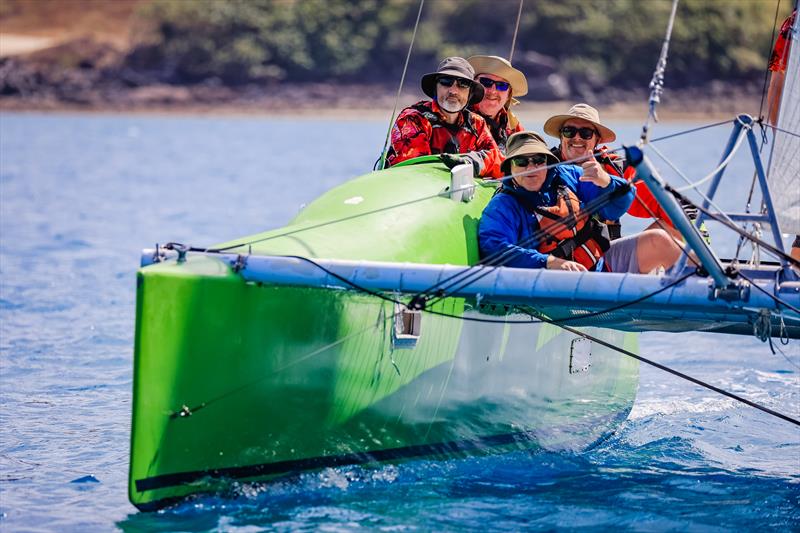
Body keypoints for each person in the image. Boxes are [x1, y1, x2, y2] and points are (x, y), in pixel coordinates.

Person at [478, 131, 684, 273]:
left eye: (538, 160)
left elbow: (618, 207)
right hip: (553, 286)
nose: (531, 167)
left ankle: (710, 289)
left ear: (548, 163)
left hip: (600, 265)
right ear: (509, 169)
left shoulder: (570, 176)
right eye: (522, 162)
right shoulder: (502, 205)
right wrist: (549, 262)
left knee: (660, 239)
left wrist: (606, 181)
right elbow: (494, 247)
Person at [543, 103, 703, 242]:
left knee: (668, 232)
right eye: (569, 131)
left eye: (585, 133)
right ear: (561, 137)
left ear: (597, 140)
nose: (577, 138)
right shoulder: (539, 165)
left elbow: (670, 203)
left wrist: (698, 239)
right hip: (550, 260)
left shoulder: (616, 168)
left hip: (605, 260)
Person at [385, 57, 503, 178]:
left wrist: (472, 161)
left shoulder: (477, 123)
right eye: (446, 81)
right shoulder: (413, 119)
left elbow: (500, 164)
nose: (453, 91)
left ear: (470, 93)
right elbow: (413, 170)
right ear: (435, 87)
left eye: (463, 84)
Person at [467, 55, 526, 153]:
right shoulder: (456, 116)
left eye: (502, 85)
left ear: (509, 94)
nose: (493, 91)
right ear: (473, 85)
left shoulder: (513, 127)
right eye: (486, 82)